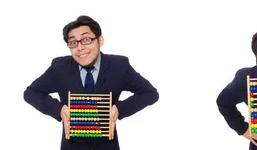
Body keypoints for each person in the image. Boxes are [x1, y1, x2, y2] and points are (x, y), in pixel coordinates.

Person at [23, 15, 159, 150]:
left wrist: (119, 108)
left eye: (86, 39)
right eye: (73, 43)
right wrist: (59, 109)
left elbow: (150, 93)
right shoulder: (60, 67)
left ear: (100, 40)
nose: (80, 47)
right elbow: (31, 93)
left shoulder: (119, 65)